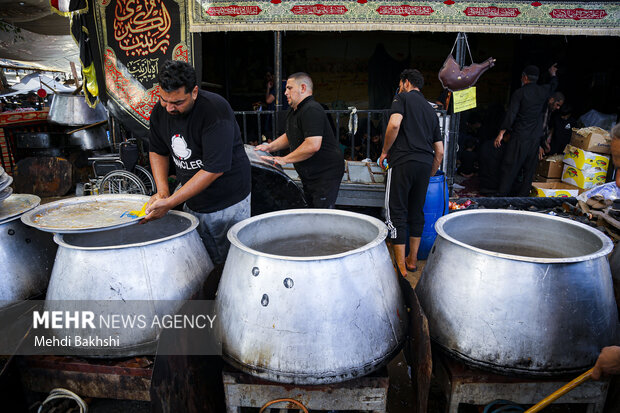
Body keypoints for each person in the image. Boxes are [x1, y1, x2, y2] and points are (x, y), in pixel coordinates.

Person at [144, 60, 251, 265]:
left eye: (177, 103)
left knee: (229, 260)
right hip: (191, 194)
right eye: (164, 100)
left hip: (226, 198)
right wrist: (163, 191)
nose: (169, 108)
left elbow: (213, 169)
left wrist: (171, 203)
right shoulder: (160, 111)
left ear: (194, 92)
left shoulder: (214, 111)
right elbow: (157, 151)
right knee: (201, 254)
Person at [379, 69, 444, 276]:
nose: (399, 88)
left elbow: (395, 124)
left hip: (403, 161)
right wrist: (430, 172)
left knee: (396, 211)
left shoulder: (402, 98)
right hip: (425, 164)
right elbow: (440, 150)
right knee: (417, 212)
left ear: (406, 82)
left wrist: (384, 151)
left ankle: (400, 267)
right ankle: (412, 260)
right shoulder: (430, 110)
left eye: (400, 84)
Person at [255, 72, 344, 208]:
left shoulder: (312, 109)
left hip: (324, 174)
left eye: (289, 88)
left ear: (303, 88)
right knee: (310, 209)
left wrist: (284, 159)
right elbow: (290, 135)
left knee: (321, 214)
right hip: (310, 173)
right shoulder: (294, 111)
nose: (285, 93)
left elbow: (312, 145)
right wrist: (269, 147)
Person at [494, 63, 558, 196]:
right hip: (534, 139)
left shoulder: (519, 93)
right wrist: (552, 74)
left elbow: (511, 114)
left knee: (510, 167)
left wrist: (501, 133)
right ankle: (522, 199)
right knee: (529, 171)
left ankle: (502, 195)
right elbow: (553, 85)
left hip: (519, 137)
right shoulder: (543, 91)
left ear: (524, 77)